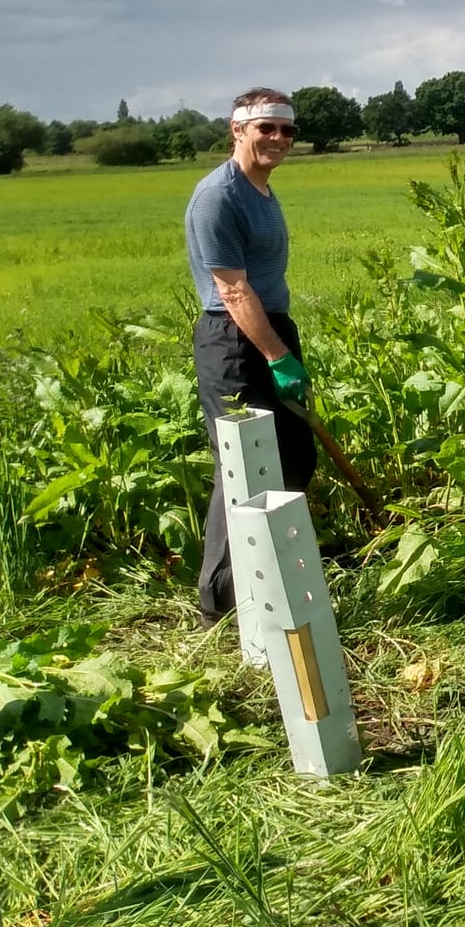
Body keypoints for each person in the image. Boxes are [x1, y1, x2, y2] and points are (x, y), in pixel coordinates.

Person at [185, 87, 317, 626]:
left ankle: (275, 571)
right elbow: (233, 291)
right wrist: (277, 357)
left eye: (287, 130)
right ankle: (221, 605)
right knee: (242, 470)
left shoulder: (261, 189)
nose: (279, 139)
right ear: (238, 129)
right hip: (234, 341)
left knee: (295, 456)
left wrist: (282, 347)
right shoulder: (218, 196)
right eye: (266, 128)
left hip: (270, 329)